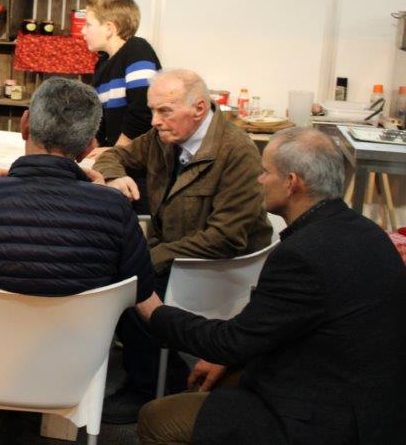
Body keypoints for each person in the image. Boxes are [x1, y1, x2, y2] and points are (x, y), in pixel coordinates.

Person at [0, 76, 157, 444]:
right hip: (72, 371)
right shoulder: (114, 210)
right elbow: (142, 288)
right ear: (89, 144)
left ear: (25, 124)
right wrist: (103, 197)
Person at [135, 127, 406, 444]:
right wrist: (234, 356)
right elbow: (278, 325)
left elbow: (229, 341)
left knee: (157, 418)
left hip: (328, 419)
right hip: (371, 402)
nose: (259, 180)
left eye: (266, 172)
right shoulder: (366, 231)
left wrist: (154, 311)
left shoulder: (302, 255)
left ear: (291, 183)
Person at [93, 68, 272, 422]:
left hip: (219, 268)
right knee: (112, 276)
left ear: (199, 108)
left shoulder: (237, 152)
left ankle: (148, 388)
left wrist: (150, 258)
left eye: (165, 111)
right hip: (180, 256)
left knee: (126, 291)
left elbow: (225, 237)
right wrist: (116, 176)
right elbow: (114, 156)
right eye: (153, 110)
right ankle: (165, 371)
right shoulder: (164, 136)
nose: (154, 121)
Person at [82, 0, 161, 156]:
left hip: (138, 159)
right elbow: (101, 119)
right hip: (120, 155)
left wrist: (116, 151)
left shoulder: (137, 50)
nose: (83, 31)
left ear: (109, 28)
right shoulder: (103, 64)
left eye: (88, 25)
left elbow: (143, 109)